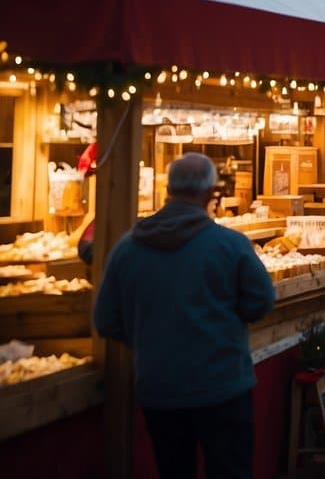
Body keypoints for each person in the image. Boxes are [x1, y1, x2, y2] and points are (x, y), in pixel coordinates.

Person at [94, 153, 275, 478]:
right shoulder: (230, 245)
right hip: (222, 385)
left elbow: (107, 319)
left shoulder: (127, 248)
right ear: (210, 193)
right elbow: (261, 301)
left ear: (168, 189)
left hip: (160, 386)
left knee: (174, 470)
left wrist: (147, 335)